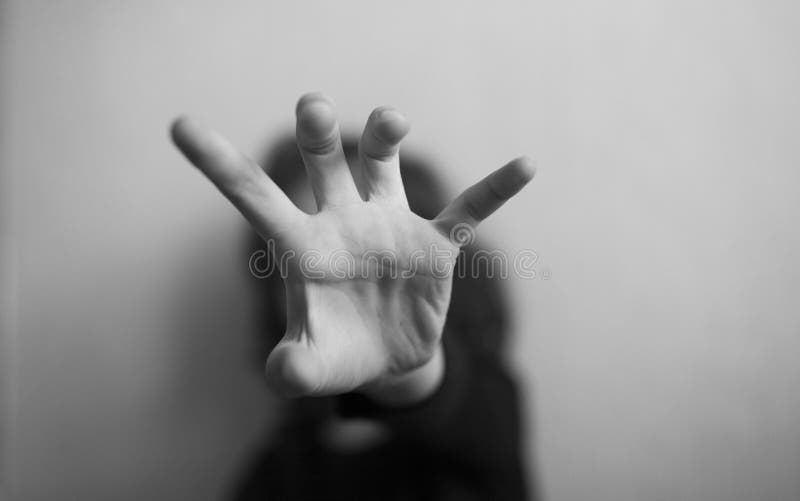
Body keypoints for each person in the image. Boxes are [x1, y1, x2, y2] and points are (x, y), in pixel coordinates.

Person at [170, 93, 537, 500]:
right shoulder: (279, 469)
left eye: (377, 257)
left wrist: (405, 374)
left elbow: (469, 414)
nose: (347, 278)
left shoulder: (488, 412)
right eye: (304, 261)